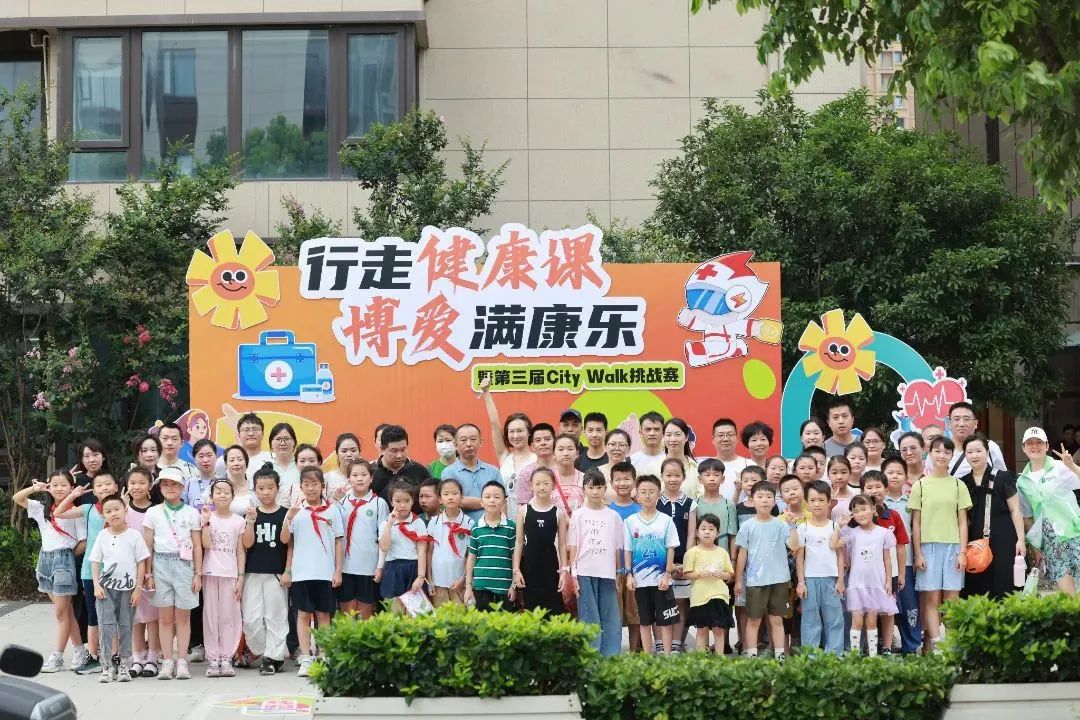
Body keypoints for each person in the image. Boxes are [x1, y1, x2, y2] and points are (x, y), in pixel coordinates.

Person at [12, 471, 85, 673]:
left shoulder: (75, 511)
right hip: (44, 560)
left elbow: (83, 542)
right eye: (55, 485)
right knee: (66, 612)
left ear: (72, 488)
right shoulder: (41, 508)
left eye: (64, 485)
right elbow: (17, 498)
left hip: (63, 561)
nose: (59, 488)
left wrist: (66, 555)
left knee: (61, 613)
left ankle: (57, 656)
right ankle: (80, 650)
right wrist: (35, 488)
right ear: (49, 487)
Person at [54, 472, 120, 676]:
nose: (104, 488)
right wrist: (73, 495)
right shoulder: (88, 509)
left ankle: (115, 657)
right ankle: (93, 657)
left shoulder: (121, 509)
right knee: (93, 615)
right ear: (94, 490)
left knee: (113, 616)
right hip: (90, 571)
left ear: (116, 487)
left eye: (108, 484)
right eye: (99, 485)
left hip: (116, 570)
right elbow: (59, 513)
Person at [910, 436, 971, 653]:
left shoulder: (958, 485)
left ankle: (951, 646)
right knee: (931, 598)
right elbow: (916, 523)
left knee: (952, 600)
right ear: (930, 453)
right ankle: (936, 646)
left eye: (946, 452)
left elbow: (963, 522)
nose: (941, 455)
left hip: (953, 547)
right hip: (928, 548)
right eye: (937, 451)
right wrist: (918, 553)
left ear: (952, 455)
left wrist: (963, 552)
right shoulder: (920, 485)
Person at [141, 467, 202, 680]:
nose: (170, 487)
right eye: (165, 484)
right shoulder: (153, 512)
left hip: (184, 564)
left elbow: (197, 545)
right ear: (159, 487)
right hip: (160, 564)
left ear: (182, 487)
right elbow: (148, 545)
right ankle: (167, 660)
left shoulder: (192, 513)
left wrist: (198, 573)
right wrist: (148, 574)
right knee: (165, 617)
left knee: (183, 616)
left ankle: (182, 660)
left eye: (174, 484)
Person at [283, 467, 343, 677]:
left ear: (322, 486)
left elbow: (338, 542)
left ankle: (324, 656)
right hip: (301, 573)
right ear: (301, 487)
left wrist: (338, 571)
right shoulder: (296, 511)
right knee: (303, 615)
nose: (310, 488)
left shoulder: (333, 511)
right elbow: (285, 540)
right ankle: (306, 657)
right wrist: (289, 518)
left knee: (323, 615)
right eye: (306, 484)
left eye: (314, 484)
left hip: (325, 572)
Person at [90, 494, 150, 683]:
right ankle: (107, 666)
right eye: (108, 511)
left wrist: (138, 589)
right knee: (106, 627)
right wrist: (96, 585)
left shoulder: (134, 535)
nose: (113, 514)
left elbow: (141, 563)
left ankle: (124, 664)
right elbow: (95, 561)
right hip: (106, 590)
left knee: (125, 626)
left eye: (117, 509)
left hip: (128, 589)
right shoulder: (102, 535)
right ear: (103, 515)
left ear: (125, 510)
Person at [960, 434, 1026, 600]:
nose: (974, 455)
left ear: (987, 452)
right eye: (969, 452)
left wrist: (1020, 540)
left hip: (1004, 539)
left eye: (978, 451)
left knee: (1004, 584)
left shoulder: (1003, 477)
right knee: (976, 586)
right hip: (975, 541)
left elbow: (1015, 510)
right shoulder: (962, 483)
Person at [1017, 428, 1080, 595]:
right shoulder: (1022, 481)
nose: (1034, 446)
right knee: (1067, 595)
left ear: (1046, 446)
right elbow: (1027, 517)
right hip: (1051, 542)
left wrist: (1072, 466)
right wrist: (1035, 548)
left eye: (1039, 442)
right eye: (1030, 443)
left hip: (1074, 533)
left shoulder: (1059, 466)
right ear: (1023, 448)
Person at [242, 465, 292, 676]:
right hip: (252, 572)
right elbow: (247, 543)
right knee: (251, 619)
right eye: (261, 488)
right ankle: (264, 651)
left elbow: (289, 544)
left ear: (277, 488)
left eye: (270, 487)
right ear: (254, 490)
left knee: (276, 616)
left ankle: (273, 658)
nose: (266, 492)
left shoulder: (285, 514)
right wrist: (250, 521)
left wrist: (288, 571)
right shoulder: (251, 514)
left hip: (275, 574)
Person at [568, 469, 624, 656]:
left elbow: (617, 547)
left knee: (610, 616)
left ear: (605, 489)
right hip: (584, 572)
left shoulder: (613, 516)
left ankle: (610, 658)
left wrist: (618, 572)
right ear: (584, 489)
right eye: (591, 487)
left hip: (607, 572)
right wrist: (573, 574)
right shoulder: (578, 515)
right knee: (589, 616)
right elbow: (573, 546)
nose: (595, 492)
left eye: (599, 487)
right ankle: (591, 657)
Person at [734, 480, 792, 660]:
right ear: (752, 500)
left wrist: (793, 526)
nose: (765, 500)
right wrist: (738, 580)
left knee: (776, 619)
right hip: (755, 581)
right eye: (760, 496)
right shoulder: (747, 526)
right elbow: (742, 554)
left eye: (769, 496)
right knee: (754, 620)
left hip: (779, 579)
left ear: (775, 501)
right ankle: (751, 656)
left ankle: (780, 657)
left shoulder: (782, 524)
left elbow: (794, 546)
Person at [624, 474, 680, 654]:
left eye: (651, 491)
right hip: (640, 581)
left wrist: (667, 574)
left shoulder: (666, 520)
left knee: (666, 621)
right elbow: (628, 550)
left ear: (659, 494)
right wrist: (629, 574)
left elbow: (671, 548)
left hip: (661, 581)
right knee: (644, 621)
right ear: (637, 495)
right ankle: (648, 657)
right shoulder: (630, 522)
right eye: (643, 492)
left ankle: (667, 656)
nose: (647, 495)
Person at [840, 494, 898, 657]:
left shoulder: (883, 533)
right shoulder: (851, 533)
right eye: (856, 511)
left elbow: (887, 560)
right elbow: (835, 544)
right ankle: (854, 655)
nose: (860, 514)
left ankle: (872, 656)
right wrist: (841, 526)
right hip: (857, 584)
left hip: (876, 584)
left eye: (864, 509)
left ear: (873, 509)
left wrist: (888, 581)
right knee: (857, 621)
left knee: (872, 621)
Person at [199, 481, 246, 678]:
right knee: (211, 616)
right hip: (210, 573)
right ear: (211, 496)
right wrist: (206, 522)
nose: (222, 495)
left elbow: (240, 551)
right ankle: (213, 658)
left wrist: (241, 577)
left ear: (233, 496)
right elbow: (206, 544)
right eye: (218, 492)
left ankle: (227, 657)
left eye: (227, 492)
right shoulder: (207, 517)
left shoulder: (239, 521)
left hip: (231, 573)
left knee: (229, 617)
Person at [860, 470, 907, 655]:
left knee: (888, 610)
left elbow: (901, 546)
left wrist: (901, 574)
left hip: (890, 573)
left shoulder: (893, 515)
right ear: (862, 491)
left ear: (886, 490)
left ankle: (887, 646)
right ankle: (867, 646)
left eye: (878, 486)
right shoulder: (859, 516)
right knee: (866, 610)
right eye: (869, 487)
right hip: (866, 573)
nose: (874, 490)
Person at [794, 481, 845, 655]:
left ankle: (835, 656)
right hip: (810, 579)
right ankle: (810, 656)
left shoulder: (835, 526)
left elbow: (840, 555)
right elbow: (800, 557)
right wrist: (801, 582)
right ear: (807, 503)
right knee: (810, 619)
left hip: (831, 579)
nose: (817, 504)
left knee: (835, 619)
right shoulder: (803, 528)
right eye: (813, 500)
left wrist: (840, 580)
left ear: (829, 502)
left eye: (821, 500)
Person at [513, 467, 568, 615]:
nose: (542, 487)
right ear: (531, 485)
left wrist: (564, 570)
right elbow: (519, 542)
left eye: (546, 483)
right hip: (529, 567)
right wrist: (516, 570)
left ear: (553, 485)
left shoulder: (559, 513)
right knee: (531, 611)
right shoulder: (523, 511)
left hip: (551, 567)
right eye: (537, 484)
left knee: (554, 610)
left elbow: (562, 544)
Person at [336, 459, 387, 619]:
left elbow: (383, 539)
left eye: (364, 475)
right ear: (348, 479)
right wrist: (335, 502)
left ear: (371, 478)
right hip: (345, 567)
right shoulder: (341, 502)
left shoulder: (379, 504)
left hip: (368, 567)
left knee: (366, 613)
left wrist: (380, 566)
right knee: (347, 614)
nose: (359, 479)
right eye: (355, 475)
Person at [122, 467, 160, 678]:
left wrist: (149, 572)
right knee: (135, 616)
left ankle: (153, 658)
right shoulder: (124, 510)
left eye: (141, 483)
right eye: (132, 483)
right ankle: (138, 658)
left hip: (152, 570)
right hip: (129, 571)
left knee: (152, 616)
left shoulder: (157, 510)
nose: (136, 487)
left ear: (150, 486)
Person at [882, 456, 921, 654]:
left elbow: (916, 529)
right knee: (886, 606)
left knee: (909, 604)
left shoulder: (911, 501)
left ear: (906, 477)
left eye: (899, 473)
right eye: (890, 472)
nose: (894, 476)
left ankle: (911, 645)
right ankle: (886, 644)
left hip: (906, 560)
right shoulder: (877, 503)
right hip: (883, 564)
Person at [657, 458, 695, 651]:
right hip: (658, 563)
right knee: (659, 602)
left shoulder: (690, 503)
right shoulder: (656, 501)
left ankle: (676, 643)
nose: (672, 479)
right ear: (662, 476)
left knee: (680, 602)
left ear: (683, 477)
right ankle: (660, 644)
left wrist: (686, 562)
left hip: (681, 562)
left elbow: (691, 534)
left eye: (677, 475)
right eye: (668, 475)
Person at [683, 513, 735, 656]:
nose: (707, 532)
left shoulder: (722, 552)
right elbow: (687, 573)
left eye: (711, 529)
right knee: (702, 629)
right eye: (703, 528)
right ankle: (701, 659)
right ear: (697, 532)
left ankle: (719, 658)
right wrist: (700, 574)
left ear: (717, 533)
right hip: (699, 596)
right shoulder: (692, 552)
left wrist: (721, 574)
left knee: (718, 628)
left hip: (719, 595)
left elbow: (729, 574)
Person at [479, 377, 535, 501]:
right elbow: (494, 423)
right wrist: (486, 393)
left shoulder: (538, 459)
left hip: (529, 511)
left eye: (520, 431)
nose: (515, 436)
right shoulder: (504, 456)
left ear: (529, 433)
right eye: (511, 431)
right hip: (504, 511)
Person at [465, 481, 517, 610]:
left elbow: (515, 556)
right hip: (481, 587)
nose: (492, 500)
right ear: (481, 502)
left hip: (504, 587)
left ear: (504, 501)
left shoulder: (511, 527)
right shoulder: (476, 528)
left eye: (497, 497)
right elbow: (471, 558)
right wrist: (468, 586)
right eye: (487, 497)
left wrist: (513, 585)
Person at [608, 462, 642, 651]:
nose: (622, 483)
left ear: (634, 482)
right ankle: (614, 652)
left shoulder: (640, 511)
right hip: (611, 571)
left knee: (635, 615)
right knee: (613, 615)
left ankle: (635, 652)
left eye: (627, 479)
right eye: (618, 479)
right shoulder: (607, 511)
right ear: (611, 483)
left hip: (635, 572)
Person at [378, 483, 429, 606]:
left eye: (407, 501)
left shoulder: (418, 523)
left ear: (412, 501)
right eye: (398, 501)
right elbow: (384, 547)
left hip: (414, 567)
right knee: (395, 608)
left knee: (415, 609)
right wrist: (390, 524)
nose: (402, 505)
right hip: (393, 568)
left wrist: (421, 576)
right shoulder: (385, 524)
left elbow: (422, 551)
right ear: (391, 502)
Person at [426, 478, 475, 607]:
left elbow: (470, 555)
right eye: (446, 494)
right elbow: (429, 552)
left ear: (461, 497)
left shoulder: (469, 523)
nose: (450, 497)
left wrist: (463, 579)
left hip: (459, 583)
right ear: (440, 499)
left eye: (455, 493)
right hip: (438, 581)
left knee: (461, 616)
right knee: (441, 616)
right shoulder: (434, 522)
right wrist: (429, 578)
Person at [441, 424, 504, 522]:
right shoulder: (449, 472)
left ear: (480, 442)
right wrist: (491, 502)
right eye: (463, 440)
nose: (469, 444)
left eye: (473, 439)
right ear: (455, 445)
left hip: (492, 527)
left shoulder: (493, 471)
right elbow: (456, 501)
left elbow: (503, 501)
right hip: (462, 528)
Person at [523, 434, 585, 515]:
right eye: (561, 449)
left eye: (570, 449)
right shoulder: (546, 479)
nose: (565, 453)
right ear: (553, 454)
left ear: (577, 453)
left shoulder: (585, 479)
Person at [690, 458, 738, 559]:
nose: (712, 478)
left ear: (722, 479)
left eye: (716, 475)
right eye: (707, 475)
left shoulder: (728, 505)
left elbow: (733, 535)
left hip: (723, 555)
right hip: (701, 555)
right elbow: (693, 535)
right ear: (700, 479)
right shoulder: (694, 504)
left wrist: (733, 560)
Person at [371, 425, 429, 505]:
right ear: (382, 449)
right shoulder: (370, 474)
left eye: (403, 450)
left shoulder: (420, 471)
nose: (399, 456)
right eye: (394, 451)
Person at [946, 402, 1007, 476]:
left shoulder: (990, 447)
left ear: (975, 424)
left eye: (966, 419)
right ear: (949, 423)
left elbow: (1002, 477)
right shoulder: (941, 449)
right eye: (956, 419)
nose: (961, 424)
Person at [214, 413, 273, 487]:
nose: (251, 433)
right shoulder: (224, 460)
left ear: (262, 434)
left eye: (255, 429)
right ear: (239, 435)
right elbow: (217, 487)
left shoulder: (273, 459)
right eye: (246, 430)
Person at [515, 423, 558, 506]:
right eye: (538, 440)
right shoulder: (526, 473)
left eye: (547, 439)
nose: (543, 443)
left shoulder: (565, 468)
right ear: (532, 447)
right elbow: (523, 506)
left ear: (555, 442)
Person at [709, 418, 749, 503]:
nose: (725, 439)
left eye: (730, 434)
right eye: (720, 435)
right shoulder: (704, 466)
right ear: (713, 440)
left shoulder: (749, 465)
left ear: (736, 438)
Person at [268, 423, 301, 508]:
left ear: (294, 442)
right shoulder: (266, 467)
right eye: (278, 439)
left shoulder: (302, 465)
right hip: (274, 514)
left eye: (287, 439)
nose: (282, 443)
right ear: (271, 443)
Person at [324, 432, 363, 500]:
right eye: (344, 451)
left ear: (359, 452)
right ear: (337, 453)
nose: (349, 454)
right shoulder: (327, 478)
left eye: (353, 450)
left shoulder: (366, 477)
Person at [221, 445, 256, 516]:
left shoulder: (255, 486)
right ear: (226, 464)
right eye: (232, 460)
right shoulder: (218, 486)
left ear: (246, 462)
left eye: (240, 459)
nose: (236, 463)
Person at [827, 457, 856, 522]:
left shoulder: (856, 498)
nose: (839, 477)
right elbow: (821, 524)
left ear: (850, 474)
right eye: (834, 473)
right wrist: (830, 507)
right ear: (828, 475)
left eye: (843, 472)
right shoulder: (822, 498)